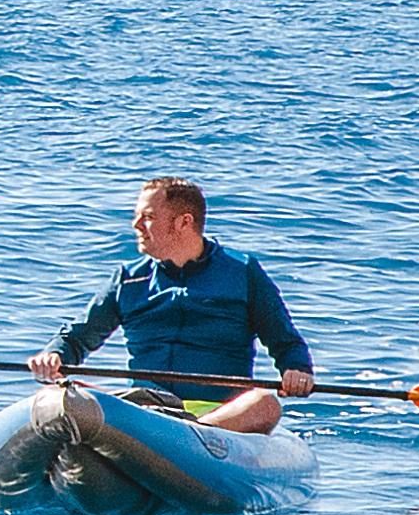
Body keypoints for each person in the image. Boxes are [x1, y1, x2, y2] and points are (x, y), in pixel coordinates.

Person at [35, 173, 311, 433]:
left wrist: (296, 370)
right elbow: (77, 338)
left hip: (220, 414)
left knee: (265, 404)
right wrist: (55, 355)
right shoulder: (129, 279)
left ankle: (188, 435)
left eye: (148, 217)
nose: (136, 225)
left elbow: (285, 341)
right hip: (143, 408)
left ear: (184, 222)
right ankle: (161, 436)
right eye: (137, 217)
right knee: (56, 395)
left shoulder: (242, 272)